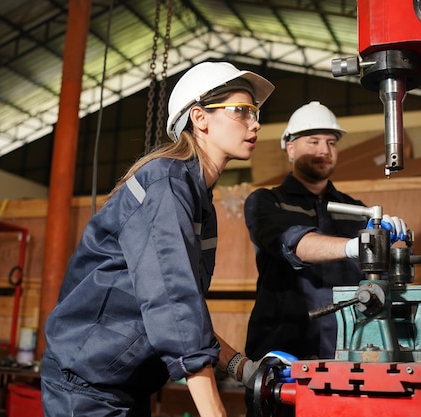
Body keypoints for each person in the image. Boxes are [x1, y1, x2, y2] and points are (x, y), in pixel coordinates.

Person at [40, 61, 277, 417]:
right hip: (86, 386)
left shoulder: (198, 202)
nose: (255, 122)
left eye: (255, 113)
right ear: (200, 118)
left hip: (125, 383)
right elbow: (173, 303)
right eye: (242, 111)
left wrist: (241, 367)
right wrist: (215, 412)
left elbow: (186, 307)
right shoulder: (164, 184)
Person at [242, 101, 407, 416]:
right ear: (290, 148)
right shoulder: (266, 203)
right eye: (313, 141)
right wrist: (351, 246)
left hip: (348, 353)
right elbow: (295, 243)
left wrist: (387, 237)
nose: (324, 149)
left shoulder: (355, 208)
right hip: (284, 353)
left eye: (331, 142)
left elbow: (376, 269)